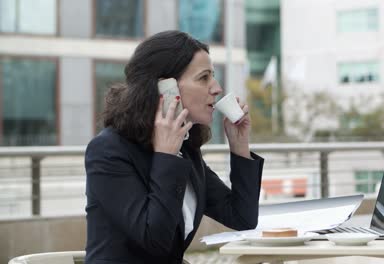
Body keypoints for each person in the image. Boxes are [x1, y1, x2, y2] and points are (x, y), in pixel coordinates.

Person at [84, 30, 264, 264]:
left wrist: (239, 146)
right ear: (165, 89)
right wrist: (165, 156)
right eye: (204, 78)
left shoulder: (186, 149)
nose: (217, 87)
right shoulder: (108, 151)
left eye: (213, 76)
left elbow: (242, 217)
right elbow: (155, 240)